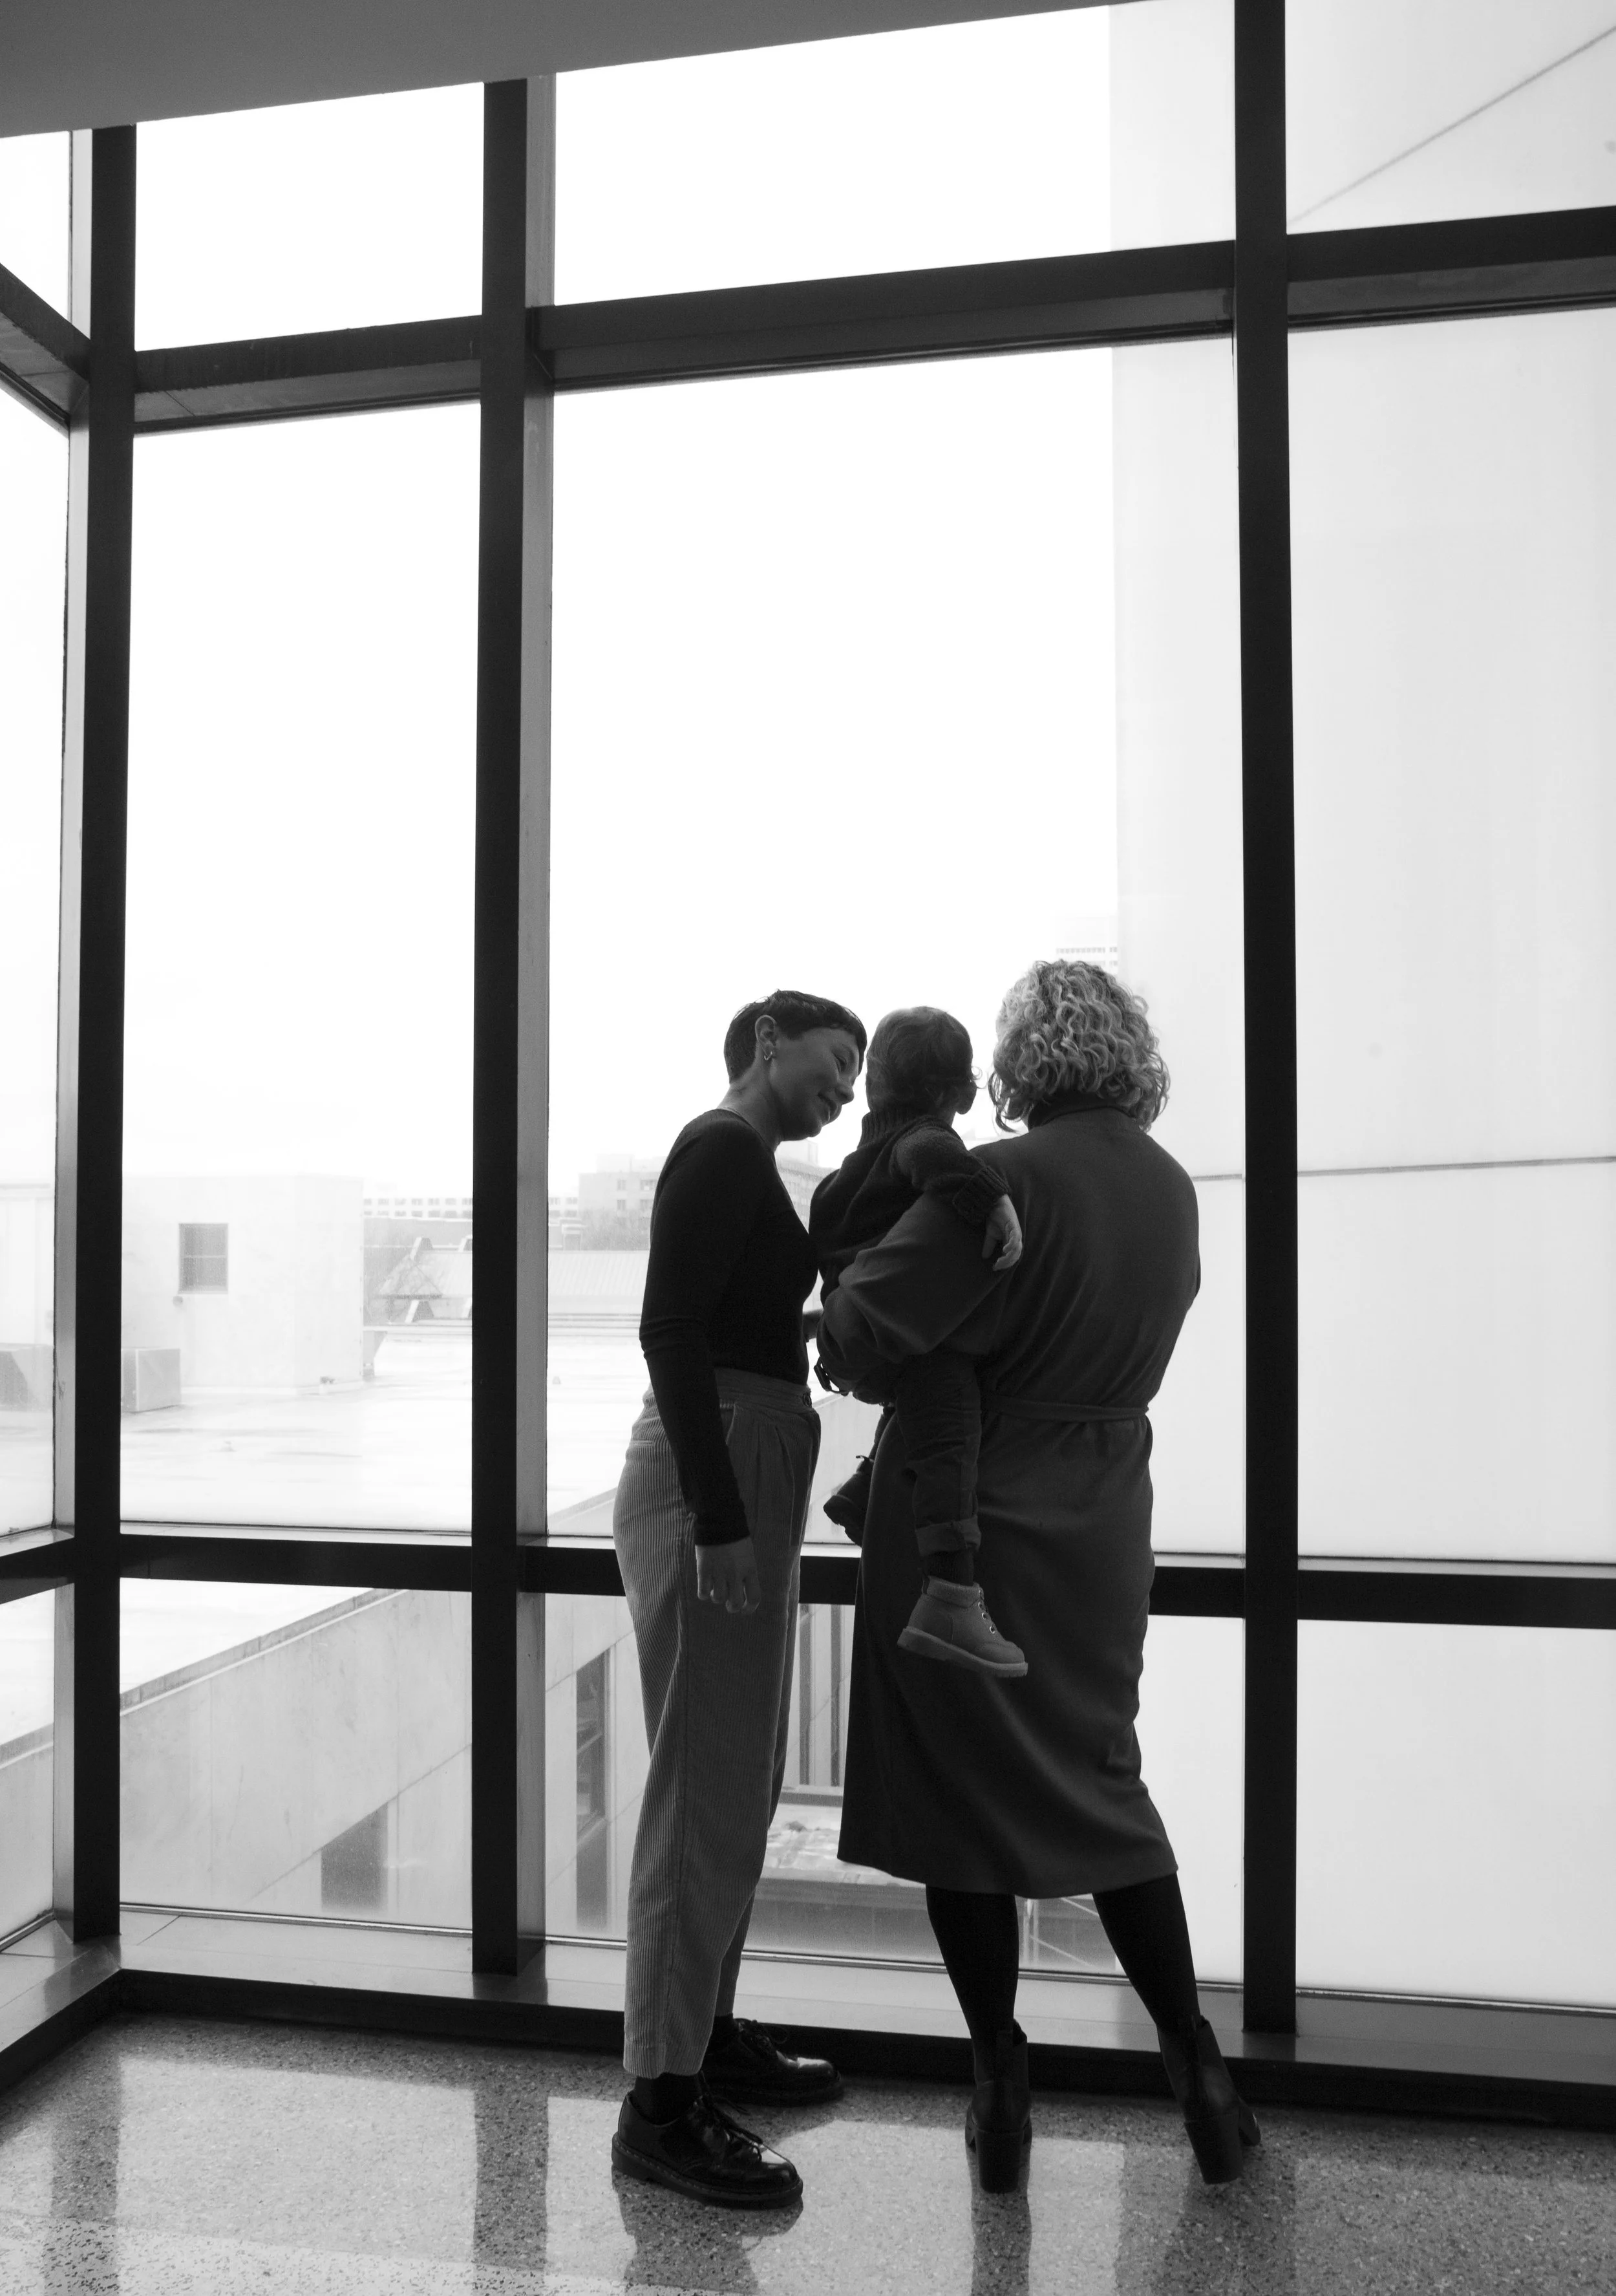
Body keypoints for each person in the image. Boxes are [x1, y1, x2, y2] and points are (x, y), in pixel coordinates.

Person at [824, 959, 1260, 2189]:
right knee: (1102, 1780)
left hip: (971, 1517)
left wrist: (849, 1318)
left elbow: (866, 1333)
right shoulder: (1170, 1190)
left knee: (961, 1808)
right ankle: (1197, 2065)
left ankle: (1000, 2081)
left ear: (1018, 1063)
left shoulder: (1005, 1177)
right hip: (1104, 1510)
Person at [610, 987, 867, 2210]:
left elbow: (730, 1314)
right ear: (770, 1040)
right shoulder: (719, 1146)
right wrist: (717, 1515)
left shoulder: (749, 1162)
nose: (848, 1086)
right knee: (704, 1781)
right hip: (717, 1459)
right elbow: (668, 1328)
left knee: (741, 1780)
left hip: (747, 1450)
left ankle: (703, 2036)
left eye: (860, 1071)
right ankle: (660, 2105)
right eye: (835, 1059)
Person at [809, 1005, 1028, 1679]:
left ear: (870, 1086)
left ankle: (864, 1489)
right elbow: (933, 1154)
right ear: (960, 1093)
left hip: (848, 1338)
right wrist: (991, 1200)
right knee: (950, 1427)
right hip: (888, 1337)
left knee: (916, 1405)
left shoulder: (843, 1174)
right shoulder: (920, 1140)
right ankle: (952, 1588)